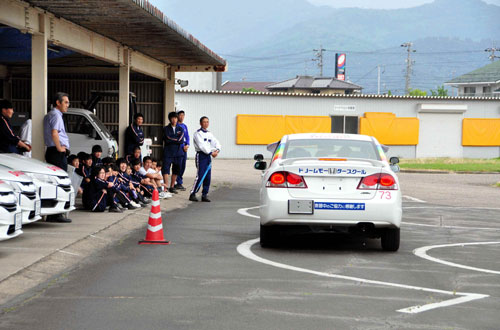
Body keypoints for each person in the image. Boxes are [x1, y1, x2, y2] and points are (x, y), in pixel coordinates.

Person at [189, 116, 221, 202]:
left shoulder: (209, 134)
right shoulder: (197, 133)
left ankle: (204, 194)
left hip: (208, 157)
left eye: (207, 122)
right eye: (204, 122)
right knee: (200, 175)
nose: (206, 123)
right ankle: (193, 193)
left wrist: (217, 150)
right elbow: (202, 146)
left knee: (208, 176)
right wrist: (211, 152)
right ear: (200, 123)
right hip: (201, 156)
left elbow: (215, 142)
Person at [44, 92, 70, 171]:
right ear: (58, 103)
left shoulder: (50, 114)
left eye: (68, 103)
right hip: (57, 153)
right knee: (61, 178)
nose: (67, 105)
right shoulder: (56, 115)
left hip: (51, 151)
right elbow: (54, 133)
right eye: (65, 102)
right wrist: (59, 148)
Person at [162, 112, 184, 194]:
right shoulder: (165, 129)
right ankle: (165, 187)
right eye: (172, 118)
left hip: (178, 153)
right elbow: (167, 139)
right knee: (166, 169)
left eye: (175, 118)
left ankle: (172, 187)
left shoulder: (181, 129)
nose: (174, 119)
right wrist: (175, 140)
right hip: (168, 152)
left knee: (176, 170)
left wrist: (173, 140)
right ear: (169, 119)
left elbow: (181, 140)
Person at [175, 110, 189, 191]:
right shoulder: (176, 126)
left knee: (183, 166)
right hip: (179, 149)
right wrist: (182, 146)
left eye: (183, 115)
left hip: (185, 149)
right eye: (180, 115)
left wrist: (187, 145)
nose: (182, 117)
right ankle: (177, 182)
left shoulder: (184, 126)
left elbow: (187, 137)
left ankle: (179, 182)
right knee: (178, 165)